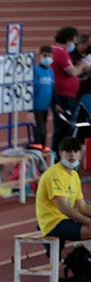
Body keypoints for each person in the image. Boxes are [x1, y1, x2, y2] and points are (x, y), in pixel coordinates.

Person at [36, 136, 91, 249]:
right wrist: (88, 221)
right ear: (61, 153)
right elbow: (64, 208)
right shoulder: (55, 174)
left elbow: (82, 206)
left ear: (80, 153)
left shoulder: (74, 175)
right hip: (53, 222)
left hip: (66, 219)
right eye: (68, 151)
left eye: (75, 151)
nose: (72, 155)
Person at [51, 27, 85, 156]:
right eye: (74, 41)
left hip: (66, 95)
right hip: (63, 96)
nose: (75, 44)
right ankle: (57, 157)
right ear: (68, 40)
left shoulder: (59, 52)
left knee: (65, 128)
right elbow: (72, 72)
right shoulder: (60, 52)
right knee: (63, 128)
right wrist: (82, 65)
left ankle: (59, 155)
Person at [32, 45, 56, 149]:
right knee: (41, 129)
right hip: (37, 105)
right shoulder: (35, 71)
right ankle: (40, 147)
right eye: (45, 56)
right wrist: (30, 109)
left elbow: (53, 88)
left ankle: (41, 147)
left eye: (49, 56)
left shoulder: (50, 71)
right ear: (40, 56)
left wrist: (55, 103)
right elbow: (31, 88)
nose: (47, 58)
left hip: (46, 106)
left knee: (42, 128)